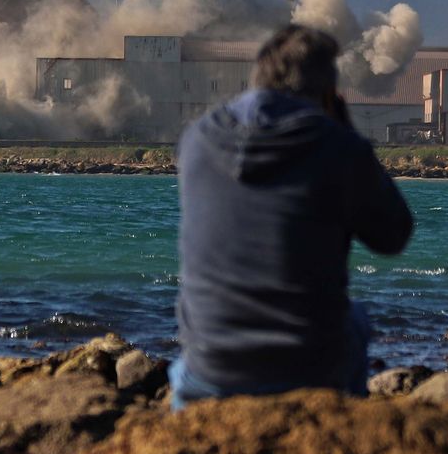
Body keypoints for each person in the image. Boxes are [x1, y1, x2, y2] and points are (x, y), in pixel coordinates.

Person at [169, 24, 413, 410]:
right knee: (358, 319)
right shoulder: (338, 146)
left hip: (211, 370)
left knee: (182, 367)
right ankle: (339, 427)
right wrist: (346, 131)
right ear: (328, 93)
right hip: (308, 371)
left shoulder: (197, 139)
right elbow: (393, 236)